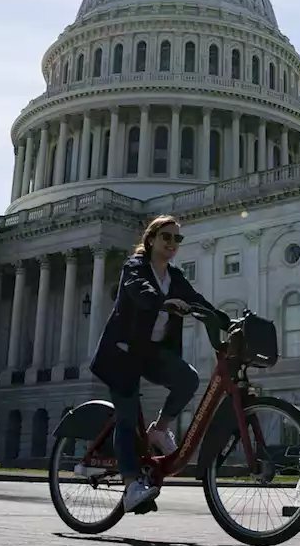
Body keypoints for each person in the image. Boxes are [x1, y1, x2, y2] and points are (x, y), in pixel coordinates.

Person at [89, 214, 226, 512]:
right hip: (122, 354)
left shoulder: (174, 276)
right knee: (126, 419)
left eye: (178, 238)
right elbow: (139, 289)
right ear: (151, 239)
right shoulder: (134, 266)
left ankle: (159, 431)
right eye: (167, 236)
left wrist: (226, 320)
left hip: (149, 353)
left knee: (187, 378)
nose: (173, 243)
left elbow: (197, 299)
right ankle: (131, 485)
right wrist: (162, 301)